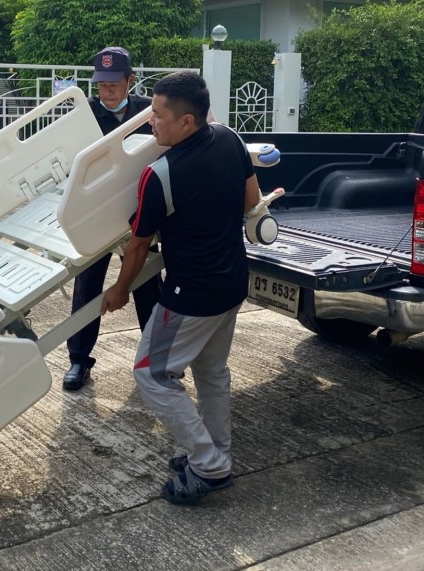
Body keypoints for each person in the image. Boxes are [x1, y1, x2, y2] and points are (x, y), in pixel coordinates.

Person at [100, 71, 262, 505]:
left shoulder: (160, 174)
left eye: (158, 115)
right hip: (231, 284)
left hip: (190, 296)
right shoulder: (229, 139)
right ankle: (214, 452)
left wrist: (119, 290)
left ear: (186, 121)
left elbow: (137, 247)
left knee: (151, 373)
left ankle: (208, 465)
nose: (150, 121)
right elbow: (251, 201)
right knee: (212, 372)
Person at [61, 46, 163, 392]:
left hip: (138, 212)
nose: (106, 91)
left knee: (147, 284)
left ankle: (155, 360)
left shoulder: (148, 112)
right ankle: (79, 360)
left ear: (130, 80)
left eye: (114, 84)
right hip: (96, 214)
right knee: (87, 286)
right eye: (101, 84)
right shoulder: (85, 116)